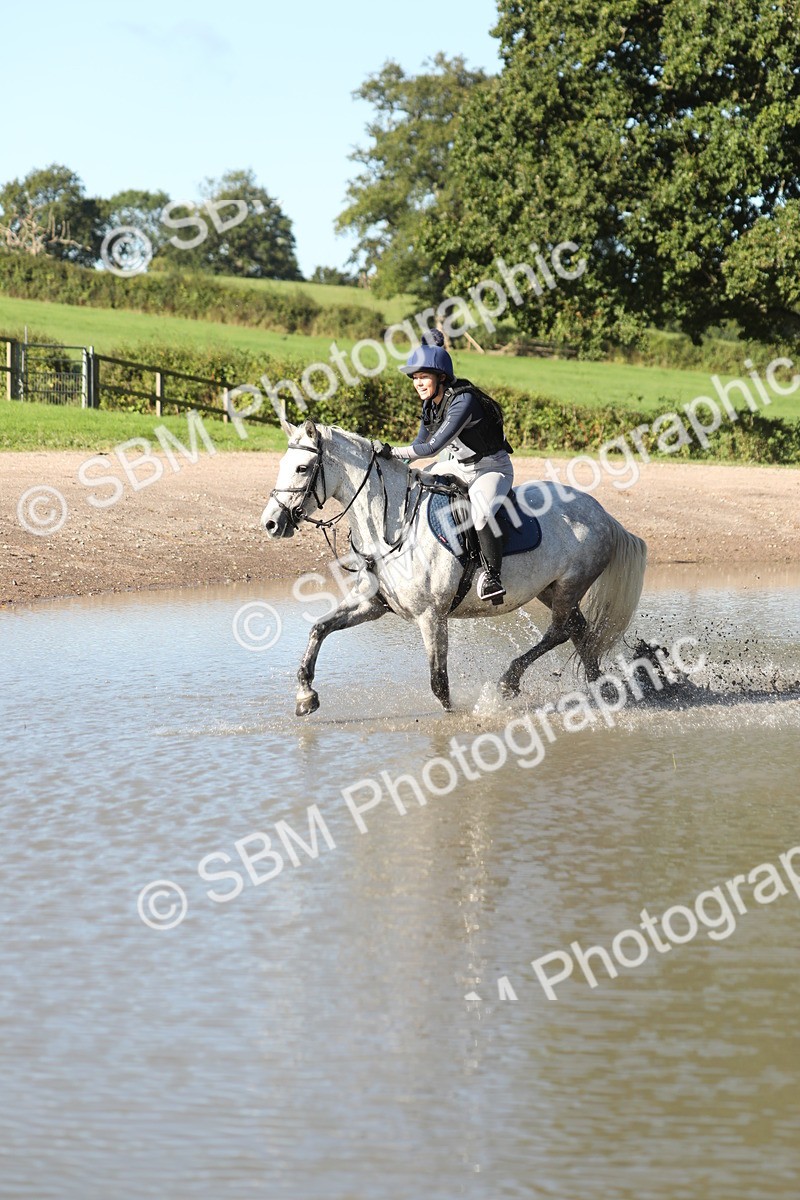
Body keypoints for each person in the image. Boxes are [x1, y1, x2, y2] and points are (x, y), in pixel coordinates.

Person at [383, 330, 514, 602]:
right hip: (460, 466)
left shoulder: (463, 401)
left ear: (441, 377)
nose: (418, 383)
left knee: (480, 513)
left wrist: (391, 451)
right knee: (418, 481)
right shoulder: (431, 405)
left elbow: (432, 448)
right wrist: (395, 463)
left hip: (492, 469)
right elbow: (420, 443)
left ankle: (492, 577)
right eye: (415, 378)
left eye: (423, 377)